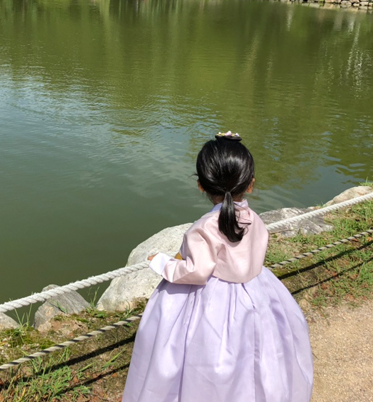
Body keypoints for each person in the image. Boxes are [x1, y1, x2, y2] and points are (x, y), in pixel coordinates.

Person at [122, 132, 313, 402]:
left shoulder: (203, 228)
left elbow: (196, 272)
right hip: (257, 292)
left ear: (200, 185)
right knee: (258, 353)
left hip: (214, 301)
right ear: (251, 184)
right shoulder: (254, 219)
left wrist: (162, 263)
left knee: (203, 357)